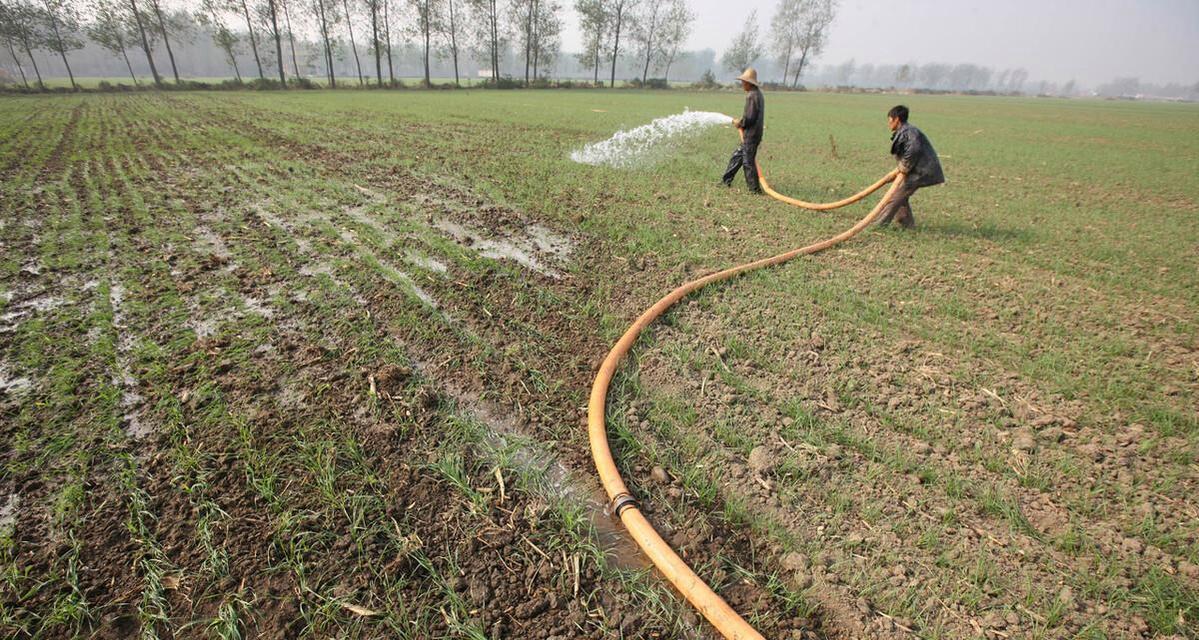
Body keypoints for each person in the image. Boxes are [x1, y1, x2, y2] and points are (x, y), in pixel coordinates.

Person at [877, 105, 944, 229]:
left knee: (894, 196)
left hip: (922, 172)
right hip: (917, 170)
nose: (889, 123)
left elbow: (914, 150)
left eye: (890, 120)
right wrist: (900, 171)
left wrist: (903, 169)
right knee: (901, 195)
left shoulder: (909, 132)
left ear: (896, 119)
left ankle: (879, 225)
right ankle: (908, 226)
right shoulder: (906, 131)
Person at [721, 68, 765, 194]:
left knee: (748, 162)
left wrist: (740, 123)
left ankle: (755, 190)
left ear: (749, 83)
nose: (742, 84)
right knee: (737, 156)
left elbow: (750, 118)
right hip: (752, 134)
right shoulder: (758, 94)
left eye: (743, 82)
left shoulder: (752, 96)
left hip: (751, 135)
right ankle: (726, 181)